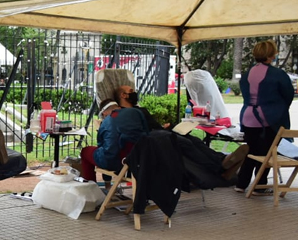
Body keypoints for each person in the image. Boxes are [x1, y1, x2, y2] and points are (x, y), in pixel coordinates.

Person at [115, 85, 248, 181]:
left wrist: (164, 127)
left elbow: (150, 124)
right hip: (153, 140)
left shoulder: (138, 109)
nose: (134, 93)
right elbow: (138, 132)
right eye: (130, 91)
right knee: (185, 143)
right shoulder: (123, 114)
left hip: (160, 133)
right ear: (123, 95)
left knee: (193, 139)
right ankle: (219, 168)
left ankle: (222, 159)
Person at [235, 40, 295, 195]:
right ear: (271, 55)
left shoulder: (247, 74)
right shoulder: (278, 75)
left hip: (248, 116)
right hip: (269, 117)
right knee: (266, 153)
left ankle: (241, 183)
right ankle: (259, 185)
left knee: (252, 150)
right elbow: (288, 95)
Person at [79, 99, 149, 182]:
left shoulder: (107, 120)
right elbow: (146, 134)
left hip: (113, 162)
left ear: (103, 113)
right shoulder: (137, 113)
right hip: (137, 160)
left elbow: (102, 145)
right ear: (118, 107)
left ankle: (91, 187)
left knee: (85, 151)